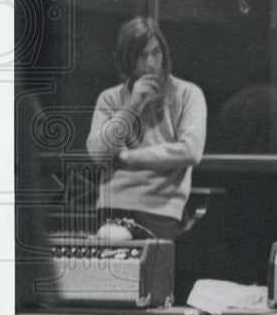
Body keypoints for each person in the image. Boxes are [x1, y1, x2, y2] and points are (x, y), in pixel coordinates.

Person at [86, 17, 207, 242]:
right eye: (141, 56)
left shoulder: (188, 94)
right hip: (114, 204)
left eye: (156, 52)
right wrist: (132, 107)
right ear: (127, 60)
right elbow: (98, 153)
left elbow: (191, 151)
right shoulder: (110, 98)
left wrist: (128, 157)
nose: (151, 63)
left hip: (161, 208)